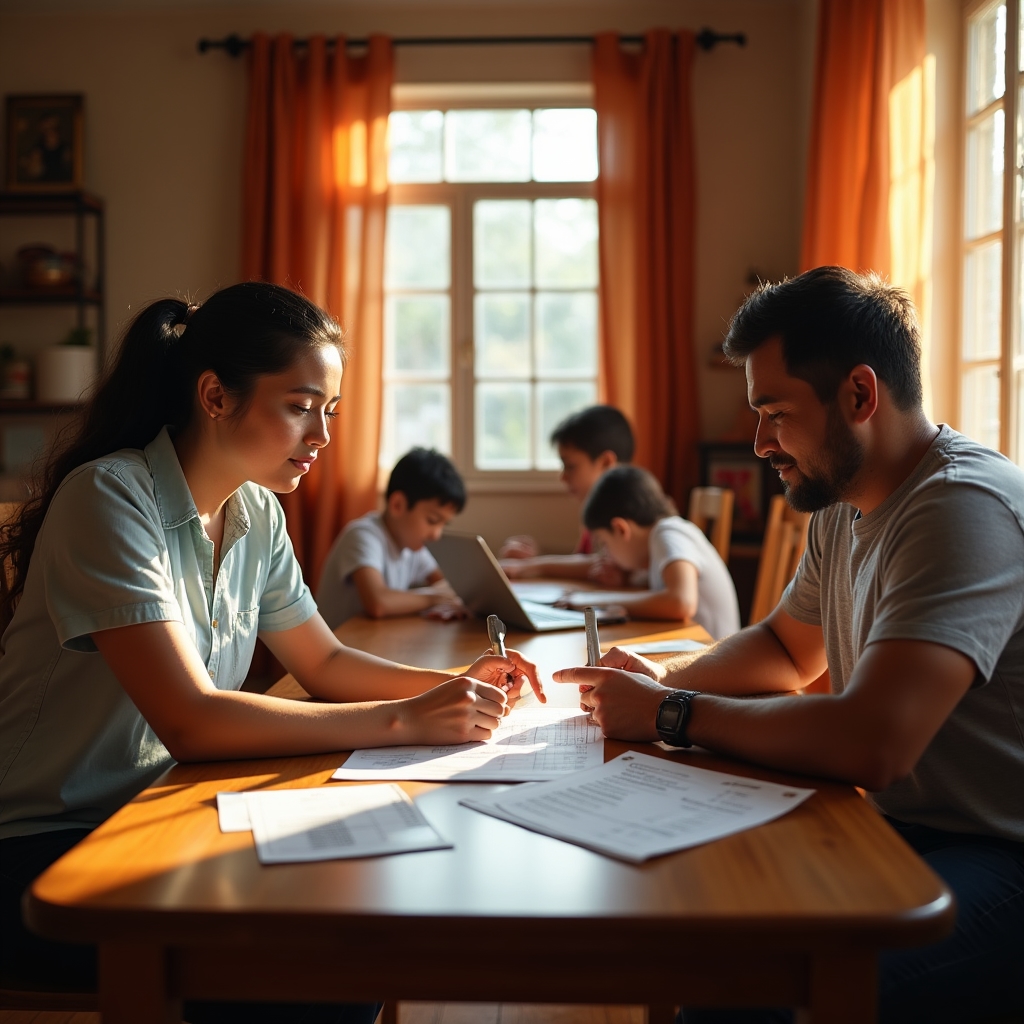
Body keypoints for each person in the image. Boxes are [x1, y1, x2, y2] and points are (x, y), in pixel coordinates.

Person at [0, 282, 542, 1022]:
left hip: (166, 811)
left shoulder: (255, 509)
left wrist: (456, 682)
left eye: (330, 412)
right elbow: (190, 720)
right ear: (216, 396)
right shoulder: (109, 497)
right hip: (46, 849)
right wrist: (405, 720)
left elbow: (323, 664)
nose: (321, 436)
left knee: (357, 914)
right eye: (300, 406)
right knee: (315, 961)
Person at [553, 267, 1024, 1024]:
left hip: (1001, 849)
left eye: (774, 412)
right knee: (716, 937)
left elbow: (875, 742)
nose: (758, 441)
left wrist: (671, 711)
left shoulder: (962, 508)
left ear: (860, 397)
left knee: (759, 987)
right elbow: (784, 647)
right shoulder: (843, 504)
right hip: (904, 825)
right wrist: (662, 675)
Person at [556, 465, 740, 639]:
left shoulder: (668, 533)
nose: (606, 554)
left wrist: (596, 601)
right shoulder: (664, 536)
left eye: (605, 543)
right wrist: (628, 580)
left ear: (621, 529)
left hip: (713, 663)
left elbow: (681, 602)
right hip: (702, 655)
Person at [316, 447, 466, 628]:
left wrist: (450, 598)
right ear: (398, 505)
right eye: (432, 520)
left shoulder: (412, 546)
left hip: (369, 641)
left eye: (444, 525)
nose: (436, 535)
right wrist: (435, 598)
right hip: (336, 646)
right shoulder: (362, 535)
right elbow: (378, 603)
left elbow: (448, 585)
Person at [500, 404, 634, 584]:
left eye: (570, 466)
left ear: (605, 462)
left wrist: (532, 566)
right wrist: (533, 559)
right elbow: (582, 562)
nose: (563, 477)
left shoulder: (628, 509)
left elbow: (610, 563)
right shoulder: (595, 510)